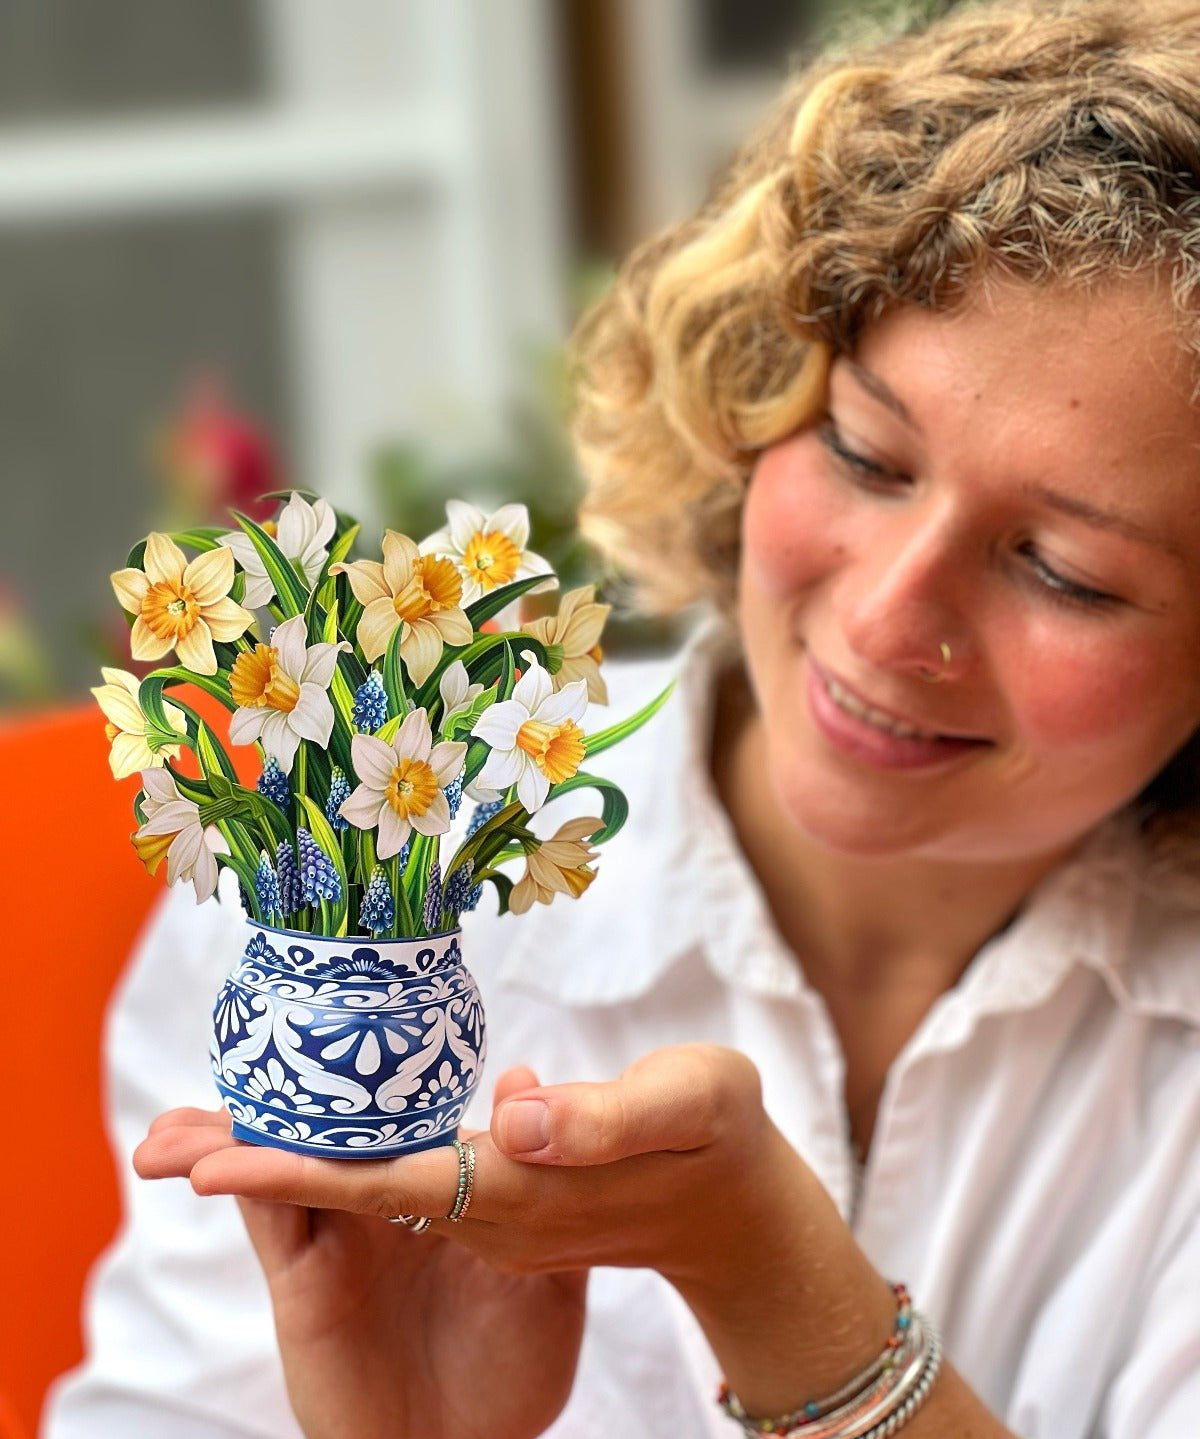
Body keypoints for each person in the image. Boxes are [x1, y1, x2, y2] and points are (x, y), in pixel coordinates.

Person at [46, 1, 1200, 1436]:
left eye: (1066, 572)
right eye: (863, 452)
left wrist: (776, 1283)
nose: (893, 617)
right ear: (762, 396)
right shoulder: (345, 879)